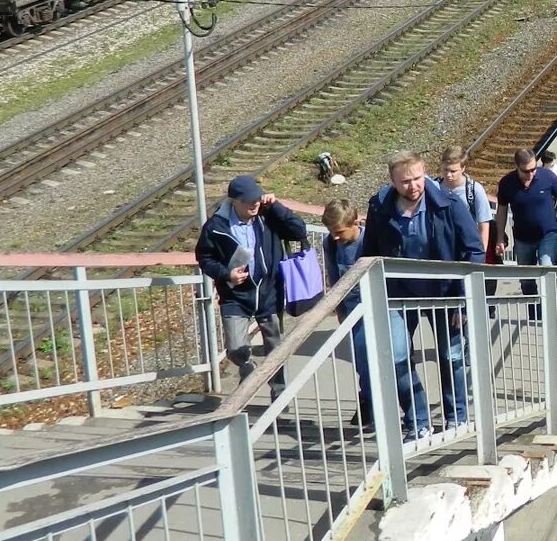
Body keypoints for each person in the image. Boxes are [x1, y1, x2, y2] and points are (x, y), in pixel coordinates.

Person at [364, 151, 484, 430]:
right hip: (398, 296)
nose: (414, 186)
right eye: (405, 181)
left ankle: (457, 418)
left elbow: (474, 250)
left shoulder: (449, 203)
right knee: (397, 357)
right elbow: (369, 254)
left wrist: (463, 302)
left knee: (451, 356)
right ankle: (418, 420)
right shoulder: (380, 208)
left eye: (418, 178)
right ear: (392, 180)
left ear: (425, 172)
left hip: (446, 295)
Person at [195, 174, 308, 401]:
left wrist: (276, 206)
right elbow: (205, 257)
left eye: (257, 198)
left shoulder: (268, 217)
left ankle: (279, 391)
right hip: (235, 296)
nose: (254, 203)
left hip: (269, 292)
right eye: (248, 200)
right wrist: (226, 274)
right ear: (234, 201)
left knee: (276, 348)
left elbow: (299, 230)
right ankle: (246, 364)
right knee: (235, 347)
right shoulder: (216, 226)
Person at [323, 199, 425, 437]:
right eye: (332, 233)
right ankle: (382, 419)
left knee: (398, 361)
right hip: (355, 311)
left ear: (355, 223)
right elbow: (333, 274)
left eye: (339, 232)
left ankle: (417, 419)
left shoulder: (371, 239)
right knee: (366, 369)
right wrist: (339, 308)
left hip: (385, 307)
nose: (336, 237)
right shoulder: (331, 243)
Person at [495, 146, 557, 272]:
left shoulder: (547, 176)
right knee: (526, 279)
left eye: (533, 169)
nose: (531, 174)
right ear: (517, 166)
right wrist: (500, 238)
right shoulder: (507, 183)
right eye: (526, 171)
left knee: (547, 269)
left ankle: (550, 291)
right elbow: (501, 211)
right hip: (522, 238)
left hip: (548, 234)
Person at [436, 145, 492, 256]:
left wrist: (481, 255)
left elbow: (483, 224)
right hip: (440, 247)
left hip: (465, 248)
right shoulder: (435, 187)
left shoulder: (474, 190)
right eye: (445, 170)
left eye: (453, 171)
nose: (448, 175)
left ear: (463, 168)